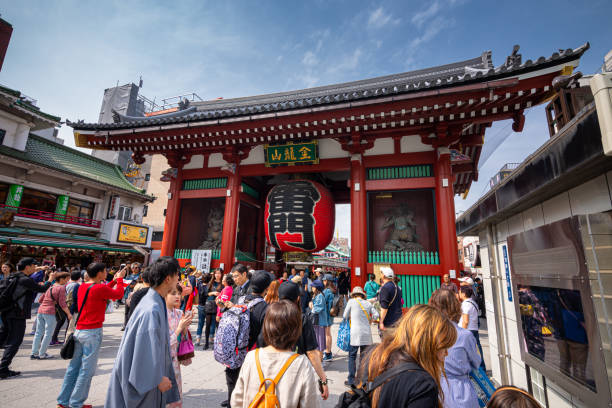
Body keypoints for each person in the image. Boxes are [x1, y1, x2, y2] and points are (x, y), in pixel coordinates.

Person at [105, 257, 181, 407]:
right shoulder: (151, 309)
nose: (179, 278)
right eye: (177, 275)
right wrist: (157, 378)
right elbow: (144, 351)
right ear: (168, 279)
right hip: (144, 384)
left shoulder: (153, 301)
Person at [358, 304, 457, 408]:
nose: (446, 353)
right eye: (444, 347)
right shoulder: (422, 386)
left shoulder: (373, 354)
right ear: (428, 346)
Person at [56, 263, 126, 408]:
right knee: (86, 370)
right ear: (100, 273)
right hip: (92, 332)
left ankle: (63, 401)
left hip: (80, 331)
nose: (107, 273)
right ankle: (76, 403)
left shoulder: (83, 286)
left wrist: (114, 280)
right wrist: (119, 280)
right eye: (105, 271)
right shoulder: (99, 288)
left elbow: (102, 289)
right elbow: (118, 294)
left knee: (73, 368)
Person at [230, 300, 322, 408]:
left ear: (267, 326)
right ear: (296, 330)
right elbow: (310, 404)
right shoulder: (301, 363)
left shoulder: (251, 357)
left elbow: (237, 400)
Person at [258, 281, 330, 400]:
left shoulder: (270, 314)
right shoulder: (302, 318)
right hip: (295, 371)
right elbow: (311, 353)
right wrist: (323, 379)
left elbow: (261, 341)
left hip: (270, 370)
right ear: (297, 298)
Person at [221, 270, 272, 408]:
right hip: (251, 357)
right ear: (266, 289)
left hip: (234, 354)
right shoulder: (265, 308)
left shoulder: (240, 300)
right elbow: (263, 338)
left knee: (233, 390)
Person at [0, 258, 54, 379]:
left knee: (4, 337)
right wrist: (50, 279)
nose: (35, 268)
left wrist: (41, 269)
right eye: (34, 266)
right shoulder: (25, 280)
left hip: (6, 311)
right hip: (17, 314)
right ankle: (3, 369)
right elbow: (42, 289)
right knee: (14, 341)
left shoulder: (12, 276)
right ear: (28, 267)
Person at [429, 288, 481, 408]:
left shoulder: (427, 334)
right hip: (460, 390)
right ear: (455, 307)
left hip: (433, 388)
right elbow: (476, 363)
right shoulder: (465, 336)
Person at [343, 286, 379, 387]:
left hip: (355, 334)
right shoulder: (367, 303)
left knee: (352, 356)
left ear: (354, 295)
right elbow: (376, 315)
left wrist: (352, 317)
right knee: (363, 358)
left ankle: (351, 380)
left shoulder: (351, 302)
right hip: (366, 334)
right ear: (362, 295)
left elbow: (344, 315)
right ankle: (362, 380)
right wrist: (370, 321)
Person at [31, 271, 71, 359]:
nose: (67, 281)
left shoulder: (50, 287)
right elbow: (62, 304)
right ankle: (42, 353)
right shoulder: (61, 288)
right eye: (67, 279)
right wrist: (68, 314)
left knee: (38, 333)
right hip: (49, 311)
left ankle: (34, 353)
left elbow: (40, 300)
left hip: (41, 310)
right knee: (48, 333)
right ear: (61, 279)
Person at [166, 283, 194, 408]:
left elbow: (182, 338)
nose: (178, 296)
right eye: (173, 293)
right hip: (164, 360)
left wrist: (185, 327)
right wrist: (179, 328)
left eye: (179, 293)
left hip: (175, 359)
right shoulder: (160, 314)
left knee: (176, 392)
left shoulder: (178, 313)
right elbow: (164, 343)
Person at [459, 285, 485, 370]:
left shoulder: (466, 304)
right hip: (474, 329)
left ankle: (476, 369)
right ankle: (481, 368)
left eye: (460, 292)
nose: (459, 294)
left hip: (468, 330)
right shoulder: (473, 302)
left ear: (463, 294)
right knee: (476, 350)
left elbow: (465, 321)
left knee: (468, 351)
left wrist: (462, 332)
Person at [378, 267, 403, 334]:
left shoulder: (385, 288)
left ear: (383, 275)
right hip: (398, 320)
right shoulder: (397, 288)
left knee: (387, 343)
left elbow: (384, 308)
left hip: (388, 322)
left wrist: (381, 322)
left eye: (381, 273)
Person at [203, 268, 223, 350]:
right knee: (207, 325)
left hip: (218, 306)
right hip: (210, 305)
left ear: (221, 274)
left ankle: (217, 343)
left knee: (217, 326)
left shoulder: (223, 284)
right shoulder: (211, 283)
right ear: (214, 274)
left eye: (219, 273)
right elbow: (205, 293)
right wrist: (213, 293)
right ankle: (206, 343)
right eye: (216, 273)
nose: (217, 275)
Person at [310, 280, 329, 358]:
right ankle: (319, 359)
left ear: (317, 288)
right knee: (317, 341)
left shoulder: (320, 296)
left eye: (313, 287)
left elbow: (317, 309)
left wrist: (311, 306)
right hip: (317, 322)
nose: (311, 288)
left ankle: (320, 360)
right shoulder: (316, 295)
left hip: (319, 322)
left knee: (319, 342)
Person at [321, 274, 335, 361]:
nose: (323, 282)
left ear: (327, 281)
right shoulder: (332, 290)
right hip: (330, 314)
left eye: (324, 280)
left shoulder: (326, 291)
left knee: (327, 334)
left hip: (326, 315)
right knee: (328, 333)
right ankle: (328, 351)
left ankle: (328, 352)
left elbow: (323, 303)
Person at [195, 273, 211, 346]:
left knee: (200, 323)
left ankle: (198, 340)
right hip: (208, 306)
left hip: (200, 306)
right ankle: (210, 338)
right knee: (209, 324)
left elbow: (198, 280)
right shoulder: (209, 287)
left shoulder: (199, 285)